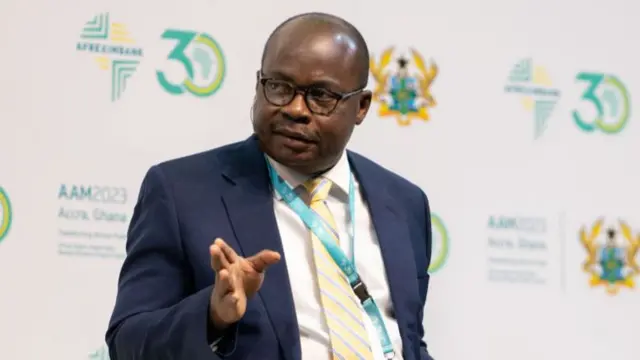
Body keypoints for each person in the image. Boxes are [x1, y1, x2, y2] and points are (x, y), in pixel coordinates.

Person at [106, 12, 435, 360]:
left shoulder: (404, 204)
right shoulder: (181, 192)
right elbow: (128, 343)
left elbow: (407, 340)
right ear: (258, 84)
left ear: (361, 106)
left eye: (320, 96)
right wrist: (213, 316)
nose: (295, 109)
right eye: (279, 87)